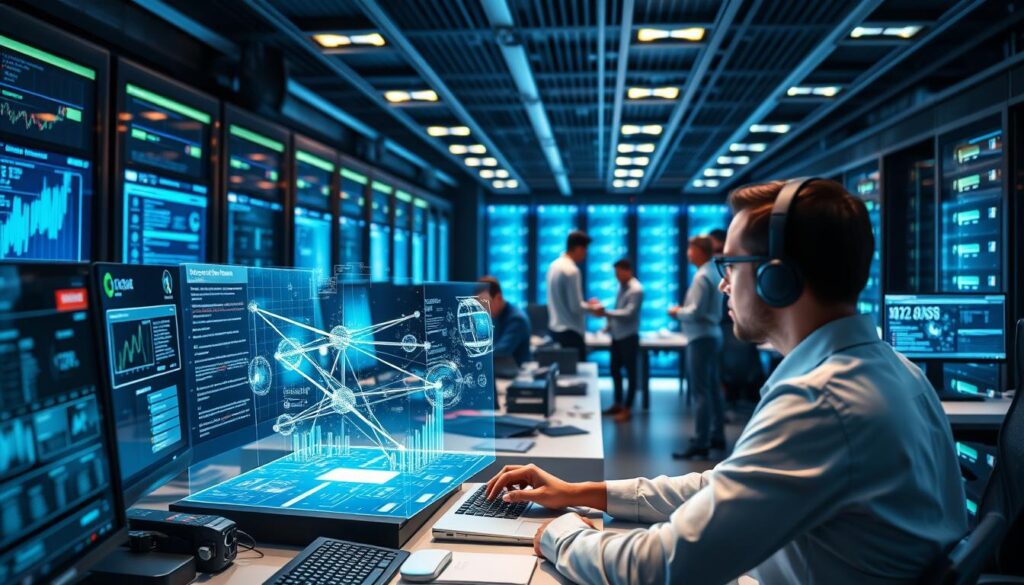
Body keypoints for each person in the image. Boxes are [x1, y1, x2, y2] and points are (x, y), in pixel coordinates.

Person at [484, 178, 966, 584]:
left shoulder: (820, 401)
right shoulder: (896, 371)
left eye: (730, 265)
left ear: (777, 278)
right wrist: (582, 493)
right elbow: (722, 486)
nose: (722, 284)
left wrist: (561, 534)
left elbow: (660, 568)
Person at [669, 236, 725, 459]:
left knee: (700, 391)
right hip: (711, 335)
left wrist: (676, 312)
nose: (687, 253)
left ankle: (701, 441)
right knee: (712, 389)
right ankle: (717, 435)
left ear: (699, 250)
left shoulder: (702, 276)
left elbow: (695, 312)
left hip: (700, 337)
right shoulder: (714, 271)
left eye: (690, 249)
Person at [596, 259, 643, 423]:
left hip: (628, 337)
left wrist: (606, 313)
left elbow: (629, 313)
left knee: (631, 374)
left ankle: (627, 408)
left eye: (618, 273)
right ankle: (618, 403)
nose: (616, 277)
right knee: (615, 370)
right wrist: (608, 326)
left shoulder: (636, 289)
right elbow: (618, 309)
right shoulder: (621, 286)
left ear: (627, 271)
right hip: (617, 336)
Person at [546, 230, 601, 361]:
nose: (586, 254)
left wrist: (587, 305)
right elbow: (575, 307)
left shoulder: (553, 266)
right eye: (585, 250)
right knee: (577, 372)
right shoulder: (572, 270)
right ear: (578, 248)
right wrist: (594, 308)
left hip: (555, 330)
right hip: (571, 334)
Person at [478, 276, 531, 366]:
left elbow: (501, 351)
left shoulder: (517, 320)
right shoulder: (496, 314)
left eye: (486, 304)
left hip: (516, 371)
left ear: (498, 298)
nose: (484, 310)